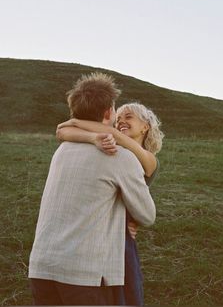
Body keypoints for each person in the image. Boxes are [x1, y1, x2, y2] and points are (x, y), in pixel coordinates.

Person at [28, 73, 156, 306]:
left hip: (42, 267)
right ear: (108, 113)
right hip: (84, 274)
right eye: (117, 111)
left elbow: (63, 131)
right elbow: (148, 215)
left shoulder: (63, 149)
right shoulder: (119, 156)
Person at [56, 102, 164, 305]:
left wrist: (76, 122)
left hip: (121, 236)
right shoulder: (110, 147)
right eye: (119, 118)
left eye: (129, 116)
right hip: (100, 229)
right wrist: (85, 133)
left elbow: (67, 130)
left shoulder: (148, 160)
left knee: (126, 293)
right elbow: (62, 133)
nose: (121, 121)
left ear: (145, 126)